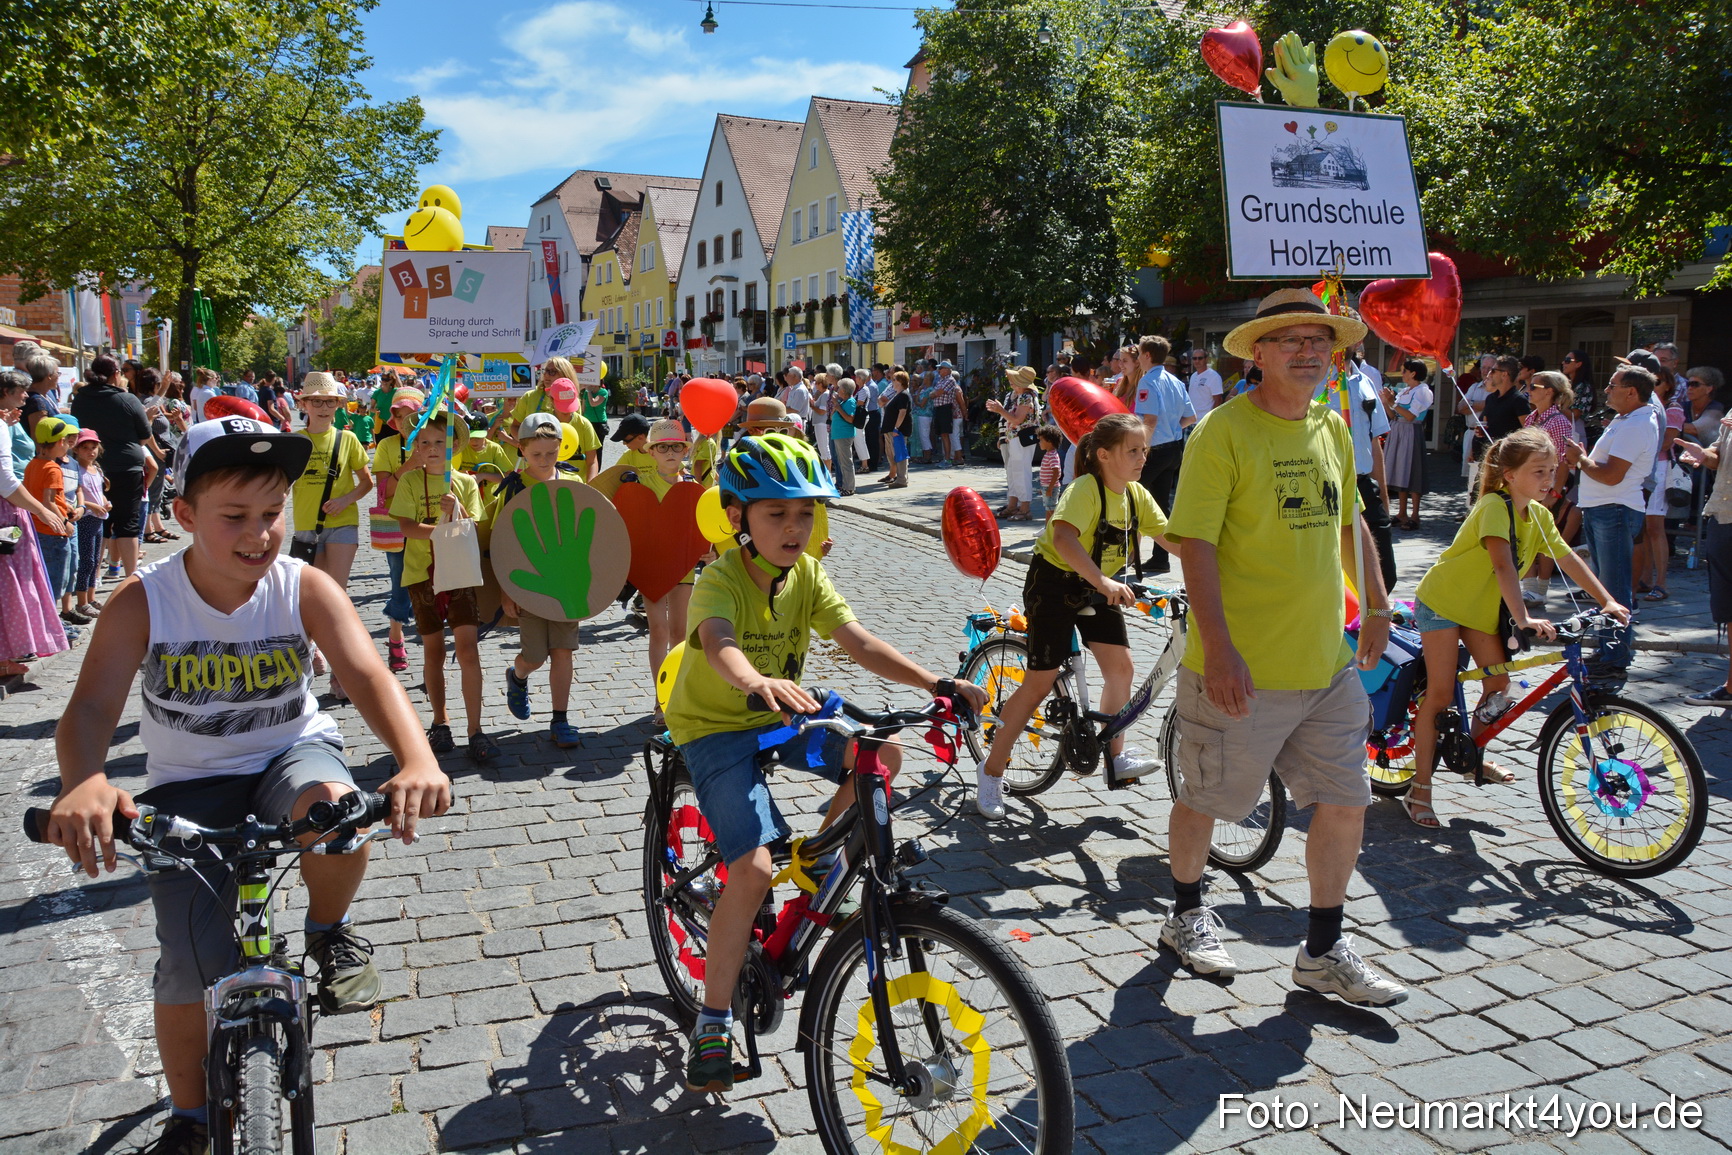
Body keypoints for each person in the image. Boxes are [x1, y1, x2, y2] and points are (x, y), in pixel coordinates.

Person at [41, 416, 451, 1155]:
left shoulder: (304, 585)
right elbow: (92, 709)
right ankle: (191, 1115)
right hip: (187, 785)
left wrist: (415, 757)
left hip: (287, 756)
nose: (259, 533)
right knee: (188, 964)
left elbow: (366, 675)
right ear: (186, 516)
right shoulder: (144, 600)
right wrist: (86, 781)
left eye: (273, 514)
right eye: (235, 516)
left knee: (335, 813)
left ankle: (327, 930)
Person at [662, 433, 986, 1091]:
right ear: (738, 517)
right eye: (776, 513)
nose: (794, 526)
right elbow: (719, 641)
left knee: (885, 753)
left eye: (804, 513)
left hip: (787, 714)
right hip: (719, 726)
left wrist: (934, 683)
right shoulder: (719, 578)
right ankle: (713, 1021)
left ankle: (814, 861)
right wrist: (756, 681)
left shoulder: (807, 573)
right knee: (751, 870)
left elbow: (857, 639)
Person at [1162, 288, 1406, 1006]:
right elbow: (1195, 546)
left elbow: (1347, 522)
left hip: (1325, 665)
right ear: (1258, 353)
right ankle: (1183, 912)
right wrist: (1222, 647)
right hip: (1240, 667)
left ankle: (1323, 950)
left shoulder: (1332, 427)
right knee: (1209, 798)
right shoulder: (1223, 432)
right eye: (1290, 340)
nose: (1308, 351)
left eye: (1319, 340)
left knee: (1345, 800)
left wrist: (1382, 600)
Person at [1403, 429, 1627, 826]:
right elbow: (1504, 564)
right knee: (1440, 693)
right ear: (1508, 475)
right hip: (1443, 603)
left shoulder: (1539, 515)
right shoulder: (1493, 505)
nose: (1549, 480)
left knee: (1499, 688)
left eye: (1553, 471)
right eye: (1538, 471)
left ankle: (1467, 753)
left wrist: (1606, 599)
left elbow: (1568, 560)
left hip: (1480, 611)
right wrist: (1523, 618)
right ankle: (1420, 789)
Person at [972, 412, 1175, 817]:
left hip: (1099, 585)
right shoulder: (1085, 490)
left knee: (1121, 668)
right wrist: (1103, 582)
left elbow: (1170, 538)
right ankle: (991, 773)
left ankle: (1115, 757)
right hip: (1054, 585)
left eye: (1145, 450)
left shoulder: (1136, 495)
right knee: (1040, 682)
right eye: (1132, 450)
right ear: (1104, 455)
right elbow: (1063, 538)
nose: (1142, 458)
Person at [390, 415, 496, 760]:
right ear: (416, 448)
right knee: (433, 651)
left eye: (439, 442)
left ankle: (476, 729)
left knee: (468, 650)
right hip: (421, 575)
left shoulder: (464, 481)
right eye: (424, 443)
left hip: (460, 574)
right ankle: (440, 722)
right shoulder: (409, 482)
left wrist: (458, 510)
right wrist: (437, 530)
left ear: (452, 446)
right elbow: (406, 526)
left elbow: (473, 526)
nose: (432, 449)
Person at [1566, 365, 1659, 685]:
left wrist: (1579, 458)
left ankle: (1616, 656)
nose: (1606, 390)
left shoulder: (1636, 424)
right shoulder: (1626, 419)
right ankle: (1610, 650)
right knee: (1605, 587)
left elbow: (1610, 475)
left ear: (1632, 392)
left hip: (1614, 510)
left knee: (1614, 588)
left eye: (1612, 385)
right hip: (1603, 509)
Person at [498, 413, 586, 749]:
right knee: (534, 656)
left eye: (551, 453)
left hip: (567, 585)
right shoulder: (513, 487)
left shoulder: (574, 483)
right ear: (522, 450)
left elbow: (588, 533)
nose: (545, 460)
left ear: (561, 449)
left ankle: (560, 719)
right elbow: (501, 541)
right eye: (537, 455)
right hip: (528, 584)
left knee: (563, 652)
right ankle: (517, 675)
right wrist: (507, 589)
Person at [293, 373, 375, 701]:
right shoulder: (295, 442)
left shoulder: (347, 439)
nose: (324, 407)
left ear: (339, 405)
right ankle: (313, 648)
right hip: (305, 528)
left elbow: (366, 483)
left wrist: (345, 500)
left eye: (330, 401)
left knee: (336, 598)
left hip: (343, 525)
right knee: (310, 598)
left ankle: (341, 675)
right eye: (317, 401)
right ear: (304, 405)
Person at [0, 371, 70, 675]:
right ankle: (5, 657)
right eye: (20, 391)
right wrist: (41, 510)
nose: (26, 397)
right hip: (7, 512)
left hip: (11, 509)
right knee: (12, 580)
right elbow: (5, 480)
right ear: (4, 392)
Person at [72, 355, 161, 582]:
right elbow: (144, 435)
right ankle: (131, 578)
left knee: (99, 520)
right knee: (127, 523)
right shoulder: (127, 399)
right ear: (114, 375)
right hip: (126, 466)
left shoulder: (80, 398)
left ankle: (92, 579)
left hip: (92, 466)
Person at [636, 419, 700, 711]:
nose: (670, 452)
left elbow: (703, 523)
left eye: (676, 446)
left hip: (683, 565)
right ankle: (660, 698)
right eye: (663, 447)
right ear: (652, 452)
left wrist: (708, 548)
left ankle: (676, 692)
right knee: (658, 630)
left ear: (684, 450)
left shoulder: (692, 485)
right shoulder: (639, 483)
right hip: (651, 567)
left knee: (679, 632)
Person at [370, 390, 425, 674]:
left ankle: (431, 646)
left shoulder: (434, 441)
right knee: (400, 582)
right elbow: (382, 492)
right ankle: (395, 638)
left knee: (431, 583)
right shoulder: (387, 446)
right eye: (401, 416)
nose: (406, 423)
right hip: (397, 525)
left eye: (412, 416)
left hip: (429, 522)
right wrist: (410, 465)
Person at [1132, 335, 1194, 575]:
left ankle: (1128, 556)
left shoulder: (1148, 382)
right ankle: (1161, 558)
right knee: (1160, 504)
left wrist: (1141, 452)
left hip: (1156, 449)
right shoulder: (1175, 381)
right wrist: (1172, 428)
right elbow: (1190, 417)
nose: (1138, 359)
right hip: (1173, 448)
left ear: (1147, 356)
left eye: (1139, 354)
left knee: (1130, 499)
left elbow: (1149, 420)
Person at [1519, 371, 1579, 607]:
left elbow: (1563, 460)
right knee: (1527, 535)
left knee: (1546, 537)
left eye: (1533, 386)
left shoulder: (1559, 420)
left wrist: (1554, 492)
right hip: (1530, 484)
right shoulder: (1532, 418)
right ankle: (1530, 587)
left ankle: (1541, 589)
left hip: (1550, 486)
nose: (1528, 390)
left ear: (1549, 391)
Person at [27, 416, 83, 628]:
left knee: (46, 579)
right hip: (53, 532)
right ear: (60, 442)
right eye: (66, 440)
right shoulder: (52, 468)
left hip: (39, 530)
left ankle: (48, 622)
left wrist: (65, 506)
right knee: (55, 582)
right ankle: (50, 625)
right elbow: (47, 501)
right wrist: (64, 521)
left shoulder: (34, 464)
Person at [1381, 359, 1432, 531]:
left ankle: (1415, 515)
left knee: (1413, 471)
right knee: (1400, 471)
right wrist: (1386, 402)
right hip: (1399, 430)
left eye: (1404, 371)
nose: (1402, 374)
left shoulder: (1423, 391)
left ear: (1413, 373)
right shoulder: (1404, 391)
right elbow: (1394, 416)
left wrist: (1393, 401)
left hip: (1411, 431)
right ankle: (1401, 512)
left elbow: (1411, 416)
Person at [69, 429, 111, 620]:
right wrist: (92, 505)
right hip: (85, 519)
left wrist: (105, 502)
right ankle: (82, 601)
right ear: (76, 449)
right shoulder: (76, 469)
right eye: (85, 447)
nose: (90, 451)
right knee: (86, 561)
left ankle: (91, 597)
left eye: (93, 447)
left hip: (98, 519)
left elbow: (98, 491)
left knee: (95, 560)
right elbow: (78, 496)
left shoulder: (97, 469)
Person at [881, 370, 912, 488]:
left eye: (893, 380)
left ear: (899, 382)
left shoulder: (903, 395)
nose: (892, 382)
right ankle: (900, 478)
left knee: (900, 454)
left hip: (898, 431)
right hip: (893, 430)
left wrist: (896, 428)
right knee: (896, 454)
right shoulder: (898, 394)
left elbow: (902, 412)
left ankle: (901, 479)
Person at [827, 380, 858, 495]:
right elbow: (831, 417)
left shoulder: (850, 402)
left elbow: (850, 419)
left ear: (844, 390)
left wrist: (838, 407)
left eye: (839, 388)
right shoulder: (843, 402)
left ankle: (849, 488)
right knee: (841, 461)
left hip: (844, 435)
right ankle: (845, 486)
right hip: (838, 435)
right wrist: (836, 406)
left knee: (846, 462)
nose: (837, 390)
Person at [930, 361, 962, 465]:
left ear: (948, 370)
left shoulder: (950, 380)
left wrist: (935, 393)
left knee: (945, 433)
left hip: (945, 408)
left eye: (941, 368)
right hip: (939, 408)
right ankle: (946, 458)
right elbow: (932, 394)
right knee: (942, 434)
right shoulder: (940, 380)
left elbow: (938, 393)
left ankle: (948, 459)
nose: (939, 370)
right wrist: (935, 393)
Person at [1186, 349, 1224, 417]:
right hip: (1192, 419)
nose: (1197, 361)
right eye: (1194, 358)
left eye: (1200, 358)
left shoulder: (1214, 376)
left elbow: (1218, 400)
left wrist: (1211, 418)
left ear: (1206, 359)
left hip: (1205, 420)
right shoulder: (1193, 376)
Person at [1036, 425, 1064, 516]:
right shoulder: (1049, 454)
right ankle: (1048, 528)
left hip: (1050, 488)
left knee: (1051, 510)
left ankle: (1051, 528)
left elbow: (1056, 472)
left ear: (1049, 441)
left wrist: (1050, 488)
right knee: (1048, 509)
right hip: (1047, 487)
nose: (1039, 442)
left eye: (1041, 440)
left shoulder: (1052, 455)